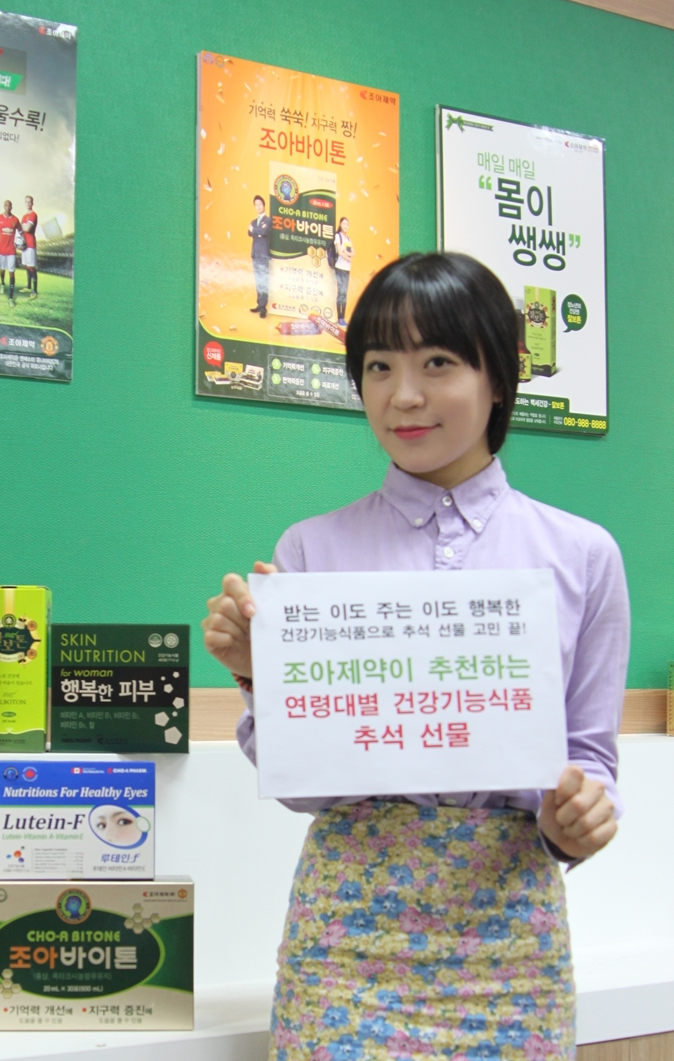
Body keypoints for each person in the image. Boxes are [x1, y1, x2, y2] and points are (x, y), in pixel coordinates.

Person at [201, 252, 628, 1061]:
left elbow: (589, 761)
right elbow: (301, 785)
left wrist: (575, 822)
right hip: (344, 941)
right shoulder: (310, 550)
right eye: (379, 366)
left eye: (437, 362)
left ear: (498, 377)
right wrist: (258, 671)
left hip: (511, 931)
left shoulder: (583, 555)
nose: (403, 395)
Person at [0, 199, 21, 304]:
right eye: (6, 205)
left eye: (9, 205)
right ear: (4, 206)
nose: (7, 207)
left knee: (11, 272)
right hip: (1, 250)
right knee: (2, 270)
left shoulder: (15, 219)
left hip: (11, 250)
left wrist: (22, 243)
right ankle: (2, 283)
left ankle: (10, 298)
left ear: (11, 207)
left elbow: (21, 232)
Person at [248, 195, 271, 318]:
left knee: (263, 280)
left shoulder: (268, 220)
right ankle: (259, 304)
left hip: (263, 254)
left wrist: (255, 231)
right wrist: (257, 231)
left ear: (264, 205)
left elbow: (264, 232)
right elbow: (249, 232)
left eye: (260, 204)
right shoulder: (253, 221)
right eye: (256, 205)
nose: (258, 207)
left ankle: (263, 307)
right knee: (258, 280)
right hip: (255, 254)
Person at [331, 215, 355, 326]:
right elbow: (340, 252)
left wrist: (347, 253)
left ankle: (343, 318)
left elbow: (354, 253)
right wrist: (347, 257)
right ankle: (339, 317)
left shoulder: (348, 239)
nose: (345, 226)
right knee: (340, 292)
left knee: (344, 294)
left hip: (347, 269)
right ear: (340, 224)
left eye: (347, 224)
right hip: (340, 268)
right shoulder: (338, 236)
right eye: (344, 224)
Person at [21, 195, 38, 298]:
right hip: (24, 244)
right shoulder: (24, 216)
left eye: (29, 202)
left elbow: (27, 228)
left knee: (31, 267)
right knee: (27, 266)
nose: (28, 203)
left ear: (32, 203)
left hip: (31, 244)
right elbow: (21, 229)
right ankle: (28, 286)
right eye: (26, 201)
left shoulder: (33, 215)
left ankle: (34, 290)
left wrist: (23, 226)